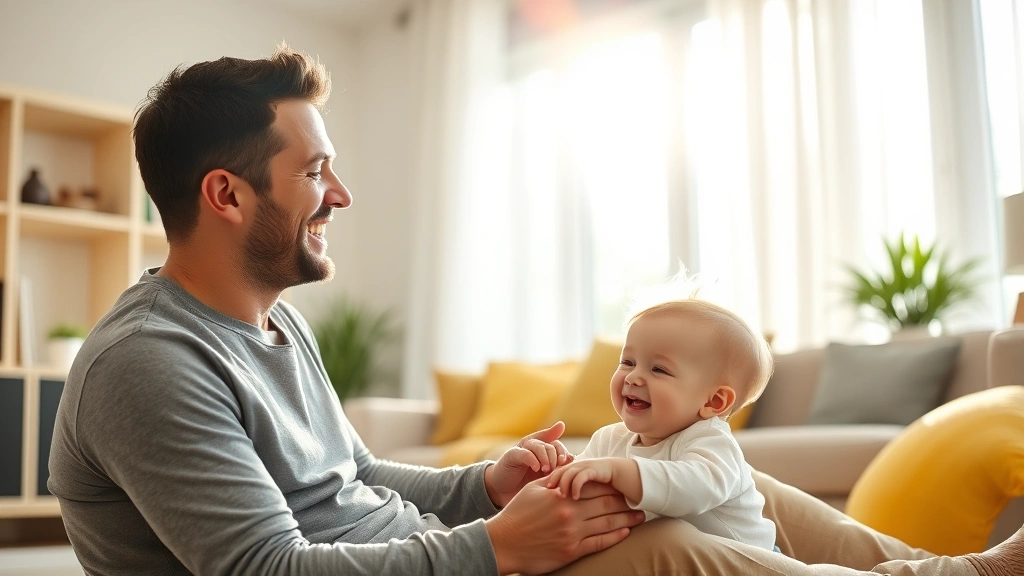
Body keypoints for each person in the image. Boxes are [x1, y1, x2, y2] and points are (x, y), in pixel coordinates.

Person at [46, 45, 1023, 576]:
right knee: (663, 539)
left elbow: (344, 477)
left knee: (733, 490)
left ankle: (961, 575)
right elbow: (263, 569)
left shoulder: (271, 322)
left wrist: (484, 486)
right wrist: (493, 549)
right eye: (314, 172)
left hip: (418, 554)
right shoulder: (150, 363)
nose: (339, 197)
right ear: (226, 196)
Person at [547, 296, 777, 551]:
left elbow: (697, 488)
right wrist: (555, 469)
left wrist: (618, 471)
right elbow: (577, 493)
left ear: (713, 400)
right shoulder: (608, 440)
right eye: (628, 362)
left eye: (659, 369)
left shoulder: (710, 441)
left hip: (747, 563)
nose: (633, 377)